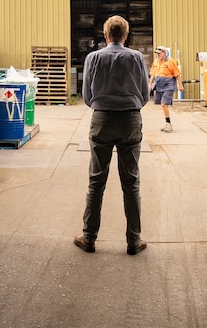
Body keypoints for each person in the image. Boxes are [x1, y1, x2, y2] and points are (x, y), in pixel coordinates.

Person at [75, 15, 150, 255]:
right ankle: (133, 241)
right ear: (126, 36)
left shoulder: (93, 58)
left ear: (106, 35)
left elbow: (87, 95)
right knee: (131, 182)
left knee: (96, 181)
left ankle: (89, 238)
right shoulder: (136, 58)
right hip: (130, 119)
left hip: (102, 119)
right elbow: (145, 93)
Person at [149, 45, 183, 132]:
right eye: (157, 53)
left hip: (168, 86)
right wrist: (150, 84)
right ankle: (167, 123)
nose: (158, 55)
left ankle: (168, 124)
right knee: (163, 105)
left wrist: (180, 85)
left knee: (164, 104)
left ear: (164, 53)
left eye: (159, 53)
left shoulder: (170, 61)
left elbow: (177, 74)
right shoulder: (156, 61)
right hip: (159, 85)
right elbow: (153, 73)